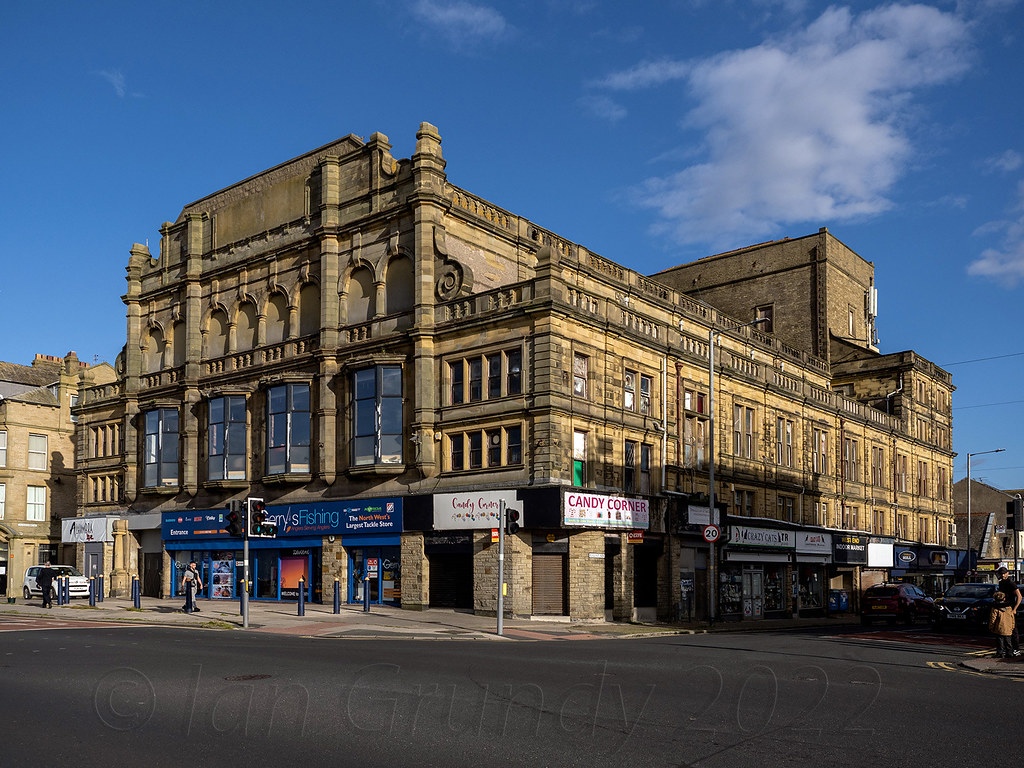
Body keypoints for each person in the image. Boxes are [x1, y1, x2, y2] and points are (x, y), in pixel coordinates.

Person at [996, 566, 1022, 655]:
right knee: (1003, 629)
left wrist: (1015, 609)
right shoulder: (1001, 583)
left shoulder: (1011, 583)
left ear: (1007, 573)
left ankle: (1016, 650)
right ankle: (1006, 650)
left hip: (1010, 609)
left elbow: (1019, 596)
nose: (1003, 575)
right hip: (1003, 608)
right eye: (1001, 573)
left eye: (1004, 573)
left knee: (1013, 629)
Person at [989, 591, 1017, 658]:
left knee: (1000, 642)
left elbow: (993, 619)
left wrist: (991, 627)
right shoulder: (1009, 607)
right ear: (1004, 599)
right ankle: (1009, 653)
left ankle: (1000, 653)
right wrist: (1012, 626)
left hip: (999, 627)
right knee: (1008, 642)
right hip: (1008, 627)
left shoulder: (995, 608)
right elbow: (1012, 618)